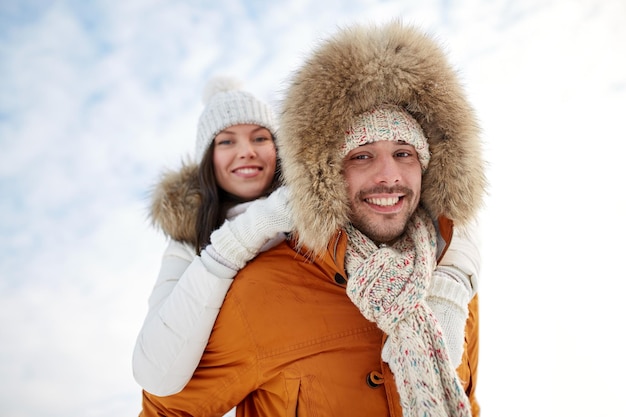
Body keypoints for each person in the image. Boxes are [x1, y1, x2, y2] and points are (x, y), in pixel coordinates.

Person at [140, 20, 486, 417]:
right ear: (324, 173)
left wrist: (454, 284)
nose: (389, 175)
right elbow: (164, 404)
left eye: (404, 153)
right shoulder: (259, 288)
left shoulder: (451, 282)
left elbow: (467, 399)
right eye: (361, 155)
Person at [132, 77, 292, 397]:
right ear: (209, 159)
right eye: (227, 141)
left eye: (260, 138)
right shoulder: (187, 244)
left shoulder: (321, 216)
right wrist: (238, 241)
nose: (246, 152)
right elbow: (155, 373)